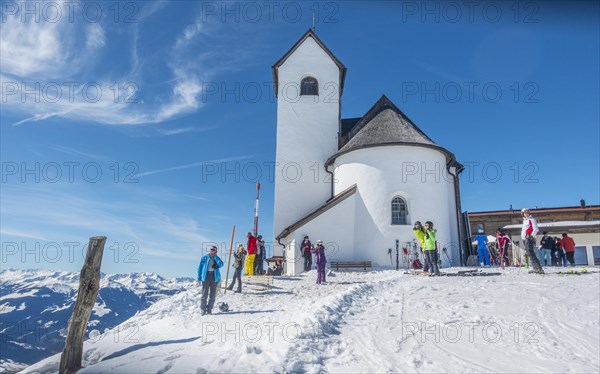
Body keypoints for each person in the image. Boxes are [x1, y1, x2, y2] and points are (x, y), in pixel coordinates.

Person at [197, 246, 224, 315]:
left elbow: (221, 264)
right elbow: (200, 268)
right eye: (211, 249)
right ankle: (203, 309)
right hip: (206, 276)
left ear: (215, 251)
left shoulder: (217, 258)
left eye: (213, 250)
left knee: (212, 294)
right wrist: (199, 278)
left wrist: (215, 257)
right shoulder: (205, 258)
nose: (212, 251)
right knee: (204, 294)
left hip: (214, 277)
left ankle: (209, 309)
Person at [520, 208, 544, 274]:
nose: (527, 214)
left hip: (529, 238)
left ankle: (538, 268)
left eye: (528, 213)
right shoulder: (525, 221)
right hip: (525, 239)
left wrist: (531, 236)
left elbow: (536, 229)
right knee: (529, 253)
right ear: (522, 214)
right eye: (525, 213)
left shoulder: (532, 219)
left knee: (530, 253)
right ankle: (535, 268)